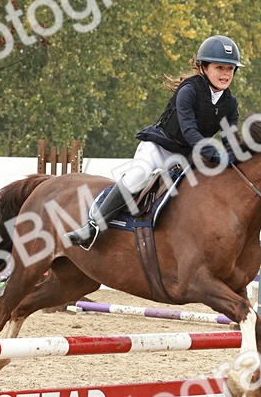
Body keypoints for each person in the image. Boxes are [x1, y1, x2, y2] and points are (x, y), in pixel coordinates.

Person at [66, 34, 242, 249]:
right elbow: (189, 131)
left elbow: (230, 138)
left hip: (187, 158)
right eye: (219, 68)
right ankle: (92, 226)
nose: (225, 74)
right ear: (203, 67)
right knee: (137, 176)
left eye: (230, 69)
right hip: (159, 147)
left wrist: (236, 154)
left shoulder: (230, 103)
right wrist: (211, 151)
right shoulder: (188, 90)